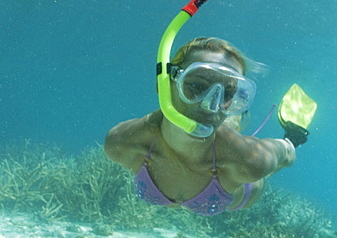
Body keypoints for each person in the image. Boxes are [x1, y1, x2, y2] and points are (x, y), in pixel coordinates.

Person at [104, 37, 302, 216]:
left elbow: (285, 155)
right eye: (197, 86)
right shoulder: (121, 142)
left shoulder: (248, 161)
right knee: (232, 126)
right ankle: (234, 120)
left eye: (228, 93)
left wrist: (290, 143)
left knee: (260, 163)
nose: (211, 106)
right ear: (163, 84)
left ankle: (264, 128)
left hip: (235, 179)